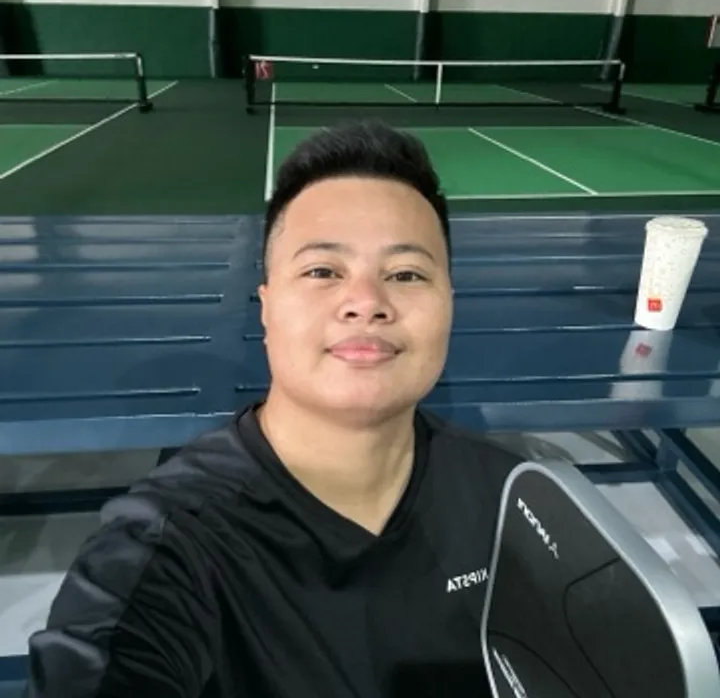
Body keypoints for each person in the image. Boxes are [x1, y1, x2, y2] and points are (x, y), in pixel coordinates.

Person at [26, 121, 523, 698]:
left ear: (449, 304)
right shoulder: (169, 548)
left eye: (406, 274)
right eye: (322, 271)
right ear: (265, 306)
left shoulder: (516, 500)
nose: (366, 302)